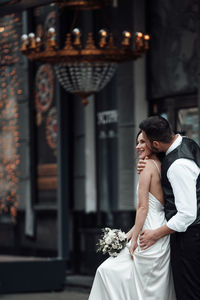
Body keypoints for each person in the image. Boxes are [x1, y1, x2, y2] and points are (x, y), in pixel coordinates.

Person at [88, 130, 176, 300]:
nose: (138, 146)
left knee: (107, 272)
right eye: (137, 142)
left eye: (143, 142)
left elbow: (143, 208)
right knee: (148, 286)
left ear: (153, 143)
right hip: (159, 228)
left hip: (148, 232)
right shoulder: (161, 165)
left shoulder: (147, 167)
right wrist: (126, 236)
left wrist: (134, 239)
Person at [138, 115, 200, 300]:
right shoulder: (186, 142)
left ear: (156, 144)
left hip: (190, 237)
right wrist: (146, 162)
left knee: (189, 293)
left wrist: (155, 234)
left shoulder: (178, 166)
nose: (142, 146)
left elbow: (187, 215)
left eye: (145, 142)